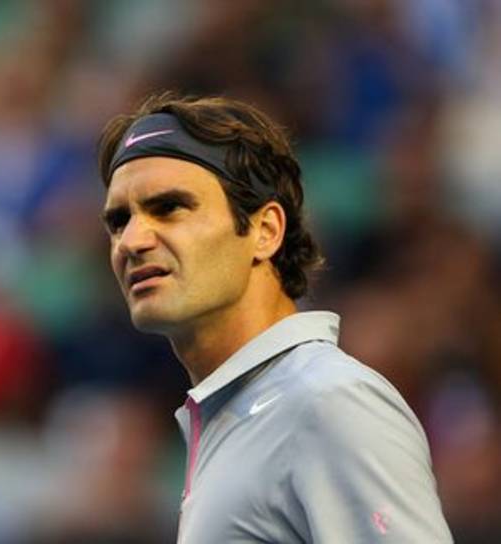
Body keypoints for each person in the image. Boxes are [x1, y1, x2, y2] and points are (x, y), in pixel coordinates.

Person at [96, 92, 452, 543]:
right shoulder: (242, 416)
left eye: (169, 208)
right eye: (118, 221)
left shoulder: (328, 402)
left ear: (265, 231)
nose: (131, 241)